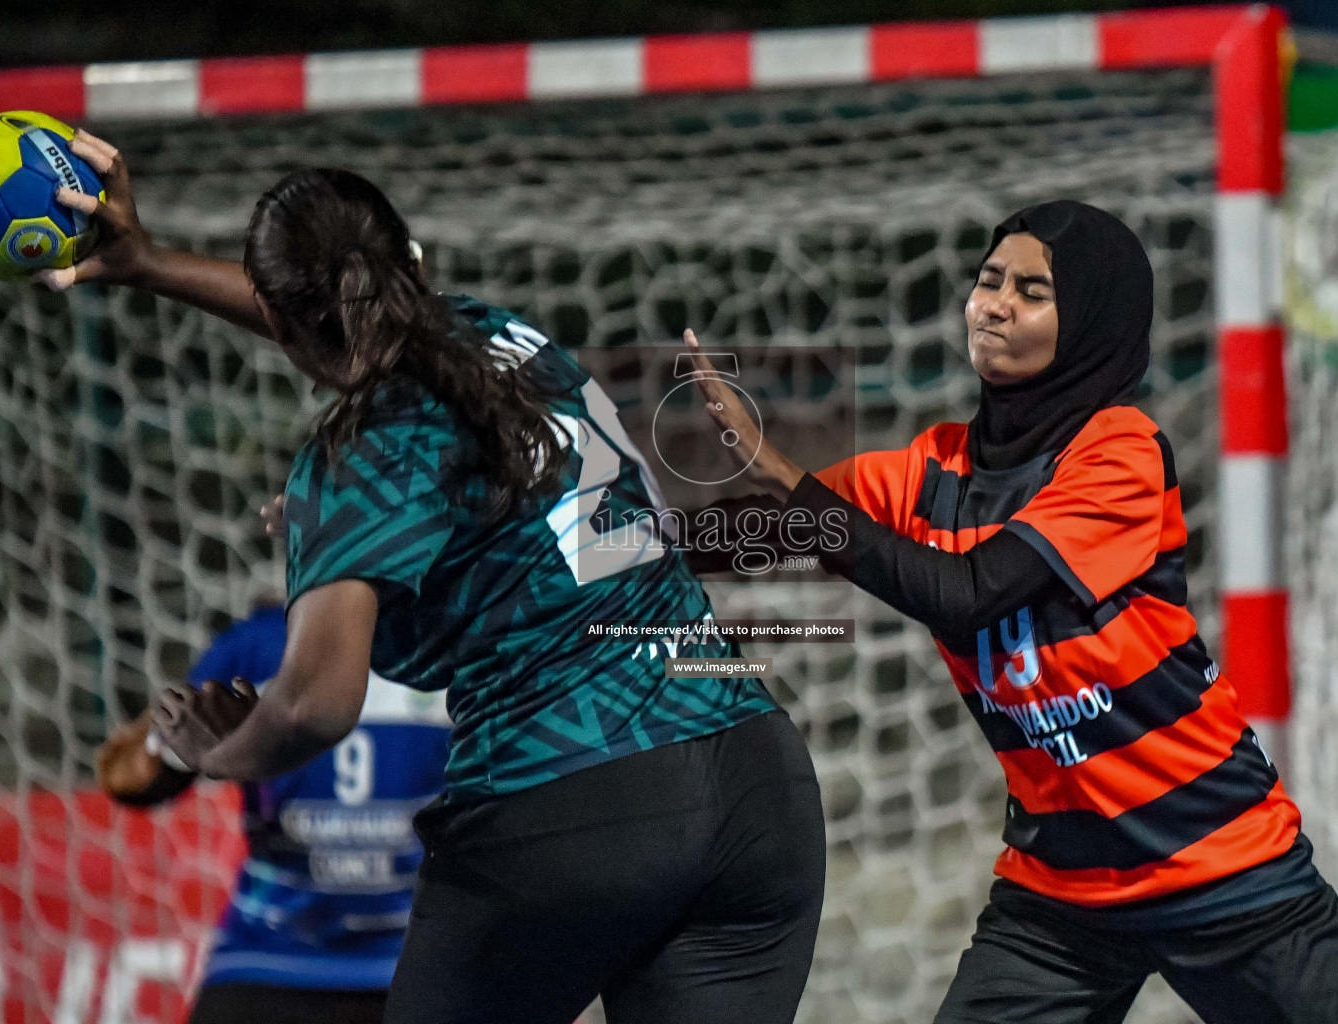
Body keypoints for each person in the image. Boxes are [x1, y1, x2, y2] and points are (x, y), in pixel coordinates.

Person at [48, 130, 824, 1024]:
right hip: (757, 782)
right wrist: (149, 265)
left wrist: (218, 752)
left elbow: (313, 705)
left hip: (575, 802)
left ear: (276, 308)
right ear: (412, 263)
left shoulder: (351, 464)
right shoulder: (502, 338)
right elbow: (348, 322)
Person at [683, 200, 1338, 1024]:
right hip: (1060, 898)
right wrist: (579, 524)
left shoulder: (1119, 453)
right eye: (989, 281)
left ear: (1091, 322)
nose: (993, 305)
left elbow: (969, 594)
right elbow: (736, 533)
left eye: (1031, 291)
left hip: (1222, 865)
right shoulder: (928, 472)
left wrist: (781, 473)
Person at [98, 593, 451, 1024]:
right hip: (270, 952)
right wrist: (180, 751)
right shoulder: (258, 645)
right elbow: (132, 778)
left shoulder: (451, 640)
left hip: (422, 958)